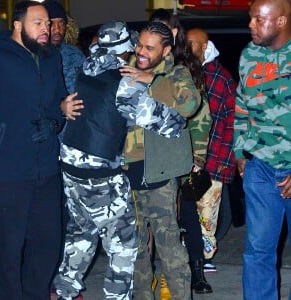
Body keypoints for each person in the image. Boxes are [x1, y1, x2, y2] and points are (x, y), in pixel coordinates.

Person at [54, 20, 187, 300]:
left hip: (70, 167)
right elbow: (171, 124)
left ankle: (65, 292)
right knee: (123, 246)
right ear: (126, 47)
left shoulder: (85, 67)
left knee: (80, 235)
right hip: (101, 175)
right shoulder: (124, 82)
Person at [0, 1, 73, 299]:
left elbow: (60, 103)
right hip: (7, 168)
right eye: (38, 22)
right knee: (9, 248)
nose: (46, 29)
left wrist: (54, 122)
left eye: (48, 24)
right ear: (17, 24)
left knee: (48, 244)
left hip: (46, 166)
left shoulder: (51, 58)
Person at [119, 21, 202, 300]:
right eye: (140, 44)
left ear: (166, 50)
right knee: (136, 246)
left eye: (149, 48)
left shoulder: (175, 72)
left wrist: (151, 80)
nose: (141, 51)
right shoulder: (125, 69)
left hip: (160, 170)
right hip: (127, 169)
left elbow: (191, 105)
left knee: (168, 243)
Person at [233, 0, 291, 299]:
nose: (251, 25)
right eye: (251, 18)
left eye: (259, 19)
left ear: (281, 21)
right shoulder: (249, 55)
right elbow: (242, 104)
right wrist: (240, 152)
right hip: (260, 168)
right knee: (257, 251)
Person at [182, 27, 237, 279]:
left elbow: (232, 123)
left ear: (205, 46)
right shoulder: (181, 74)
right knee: (186, 210)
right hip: (184, 159)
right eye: (187, 42)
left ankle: (204, 258)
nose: (189, 47)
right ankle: (190, 256)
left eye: (194, 43)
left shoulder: (221, 78)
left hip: (213, 158)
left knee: (207, 212)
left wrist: (225, 162)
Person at [44, 0, 85, 94]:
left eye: (61, 23)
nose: (57, 30)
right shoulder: (32, 56)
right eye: (51, 24)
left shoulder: (74, 54)